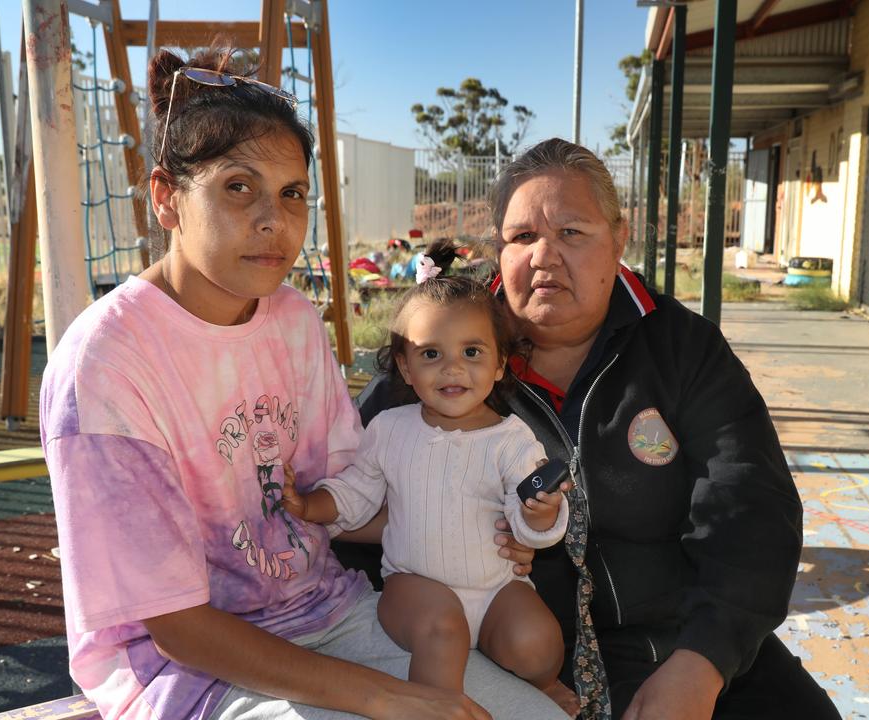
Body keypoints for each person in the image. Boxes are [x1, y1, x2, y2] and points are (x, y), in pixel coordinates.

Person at [39, 46, 565, 720]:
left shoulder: (291, 319)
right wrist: (384, 696)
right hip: (187, 668)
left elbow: (350, 495)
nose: (274, 221)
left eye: (292, 194)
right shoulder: (106, 364)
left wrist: (488, 522)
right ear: (166, 199)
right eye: (238, 187)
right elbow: (176, 626)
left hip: (329, 612)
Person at [353, 138, 840, 719]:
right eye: (523, 237)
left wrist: (702, 663)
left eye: (572, 233)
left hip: (678, 638)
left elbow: (751, 511)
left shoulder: (681, 349)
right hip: (488, 644)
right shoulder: (437, 350)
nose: (544, 257)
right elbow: (345, 500)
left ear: (619, 240)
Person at [278, 240, 575, 712]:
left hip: (497, 589)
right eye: (431, 353)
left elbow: (527, 529)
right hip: (413, 591)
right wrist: (309, 505)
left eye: (472, 351)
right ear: (405, 366)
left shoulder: (512, 439)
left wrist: (542, 513)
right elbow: (357, 492)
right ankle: (439, 706)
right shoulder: (391, 429)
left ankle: (539, 684)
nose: (453, 367)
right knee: (442, 628)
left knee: (539, 643)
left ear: (500, 364)